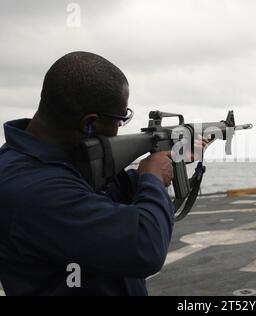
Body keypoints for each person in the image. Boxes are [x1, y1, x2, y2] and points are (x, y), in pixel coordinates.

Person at [0, 51, 206, 296]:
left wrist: (163, 161)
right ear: (89, 123)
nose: (119, 128)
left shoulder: (60, 157)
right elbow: (146, 248)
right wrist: (153, 179)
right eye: (120, 120)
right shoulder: (33, 187)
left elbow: (102, 196)